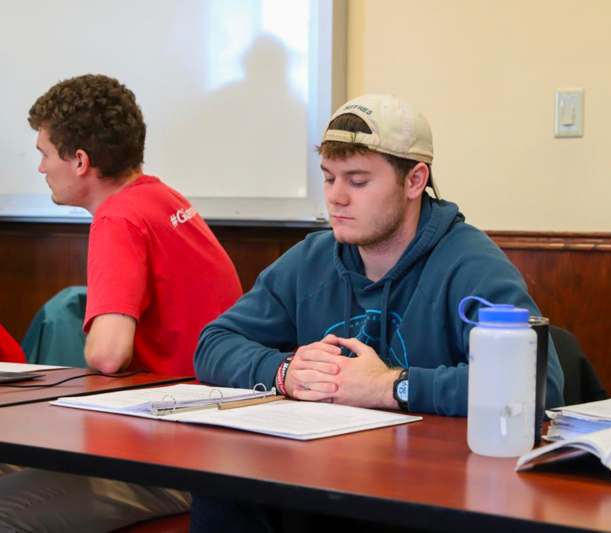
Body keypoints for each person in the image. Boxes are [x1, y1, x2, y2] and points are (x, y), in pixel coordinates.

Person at [191, 93, 564, 531]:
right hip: (328, 478)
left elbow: (537, 387)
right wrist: (283, 372)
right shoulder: (311, 258)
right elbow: (213, 343)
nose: (336, 198)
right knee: (223, 490)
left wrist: (392, 387)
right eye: (329, 179)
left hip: (431, 491)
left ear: (414, 181)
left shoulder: (471, 264)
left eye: (358, 181)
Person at [0, 74, 242, 532]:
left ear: (80, 161)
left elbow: (109, 355)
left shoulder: (119, 218)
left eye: (44, 154)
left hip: (177, 454)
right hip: (199, 434)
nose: (40, 168)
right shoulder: (161, 197)